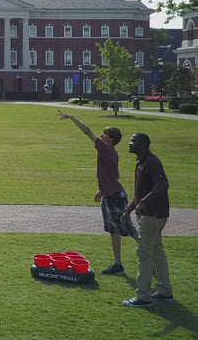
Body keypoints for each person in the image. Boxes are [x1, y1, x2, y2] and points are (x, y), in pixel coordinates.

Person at [58, 111, 136, 275]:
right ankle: (118, 264)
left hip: (114, 197)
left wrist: (72, 118)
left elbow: (87, 131)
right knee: (114, 230)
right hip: (111, 195)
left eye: (105, 134)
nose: (101, 135)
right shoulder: (112, 152)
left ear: (111, 139)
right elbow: (115, 175)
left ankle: (149, 255)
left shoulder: (105, 149)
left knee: (128, 229)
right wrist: (102, 191)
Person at [120, 132, 173, 307]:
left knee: (144, 254)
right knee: (157, 252)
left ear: (143, 144)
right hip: (151, 215)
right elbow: (140, 193)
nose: (129, 143)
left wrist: (144, 201)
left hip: (153, 215)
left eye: (133, 141)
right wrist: (128, 210)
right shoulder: (141, 163)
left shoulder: (152, 162)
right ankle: (164, 291)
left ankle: (143, 296)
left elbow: (163, 185)